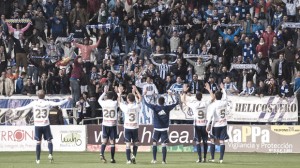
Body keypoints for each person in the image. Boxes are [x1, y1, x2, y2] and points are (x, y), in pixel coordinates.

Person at [13, 90, 70, 164]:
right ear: (44, 95)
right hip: (45, 124)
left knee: (38, 142)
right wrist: (67, 99)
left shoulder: (34, 103)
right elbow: (58, 103)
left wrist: (16, 108)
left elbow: (24, 107)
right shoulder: (47, 102)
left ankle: (38, 159)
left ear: (37, 96)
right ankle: (50, 154)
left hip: (37, 125)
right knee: (49, 140)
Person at [144, 91, 179, 164]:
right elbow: (176, 102)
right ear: (164, 102)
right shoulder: (167, 108)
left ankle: (154, 159)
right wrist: (172, 95)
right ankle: (163, 160)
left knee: (154, 143)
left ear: (158, 101)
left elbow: (146, 103)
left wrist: (146, 95)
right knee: (163, 144)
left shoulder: (155, 107)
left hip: (157, 128)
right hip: (164, 129)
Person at [182, 83, 214, 163]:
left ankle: (199, 158)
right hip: (204, 125)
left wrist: (184, 92)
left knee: (198, 142)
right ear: (202, 97)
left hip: (197, 125)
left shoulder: (194, 104)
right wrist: (209, 89)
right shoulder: (205, 103)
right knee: (205, 141)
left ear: (196, 97)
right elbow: (213, 98)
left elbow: (183, 100)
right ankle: (205, 158)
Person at [118, 85, 141, 164]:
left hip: (127, 127)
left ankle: (128, 160)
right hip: (135, 127)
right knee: (135, 143)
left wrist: (120, 93)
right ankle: (133, 156)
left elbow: (119, 102)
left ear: (127, 100)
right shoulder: (136, 106)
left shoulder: (126, 107)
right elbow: (140, 99)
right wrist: (135, 91)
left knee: (128, 144)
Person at [206, 83, 228, 163]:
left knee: (212, 140)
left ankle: (212, 158)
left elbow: (211, 116)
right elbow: (225, 96)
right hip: (224, 124)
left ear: (215, 96)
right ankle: (221, 159)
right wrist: (223, 88)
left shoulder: (214, 105)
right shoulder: (224, 102)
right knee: (222, 141)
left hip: (215, 125)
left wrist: (207, 125)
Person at [98, 86, 118, 163]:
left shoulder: (103, 103)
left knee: (104, 141)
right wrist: (118, 92)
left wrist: (104, 92)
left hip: (105, 124)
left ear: (106, 97)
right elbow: (120, 101)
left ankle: (101, 153)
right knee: (112, 142)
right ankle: (112, 158)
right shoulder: (114, 103)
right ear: (113, 97)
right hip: (112, 124)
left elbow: (99, 99)